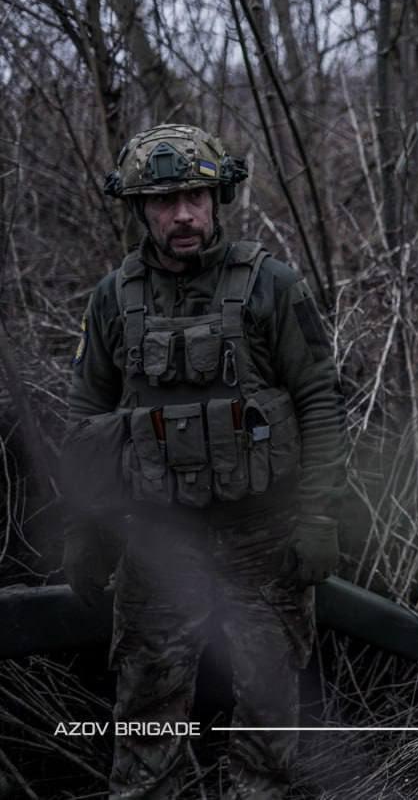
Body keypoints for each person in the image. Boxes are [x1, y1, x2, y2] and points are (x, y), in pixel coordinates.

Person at [62, 123, 347, 799]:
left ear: (219, 196)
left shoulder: (272, 286)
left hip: (264, 540)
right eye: (164, 201)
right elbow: (86, 425)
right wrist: (86, 528)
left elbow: (319, 402)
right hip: (159, 543)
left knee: (271, 723)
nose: (182, 214)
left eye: (194, 195)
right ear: (139, 209)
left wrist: (317, 514)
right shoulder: (113, 299)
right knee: (146, 725)